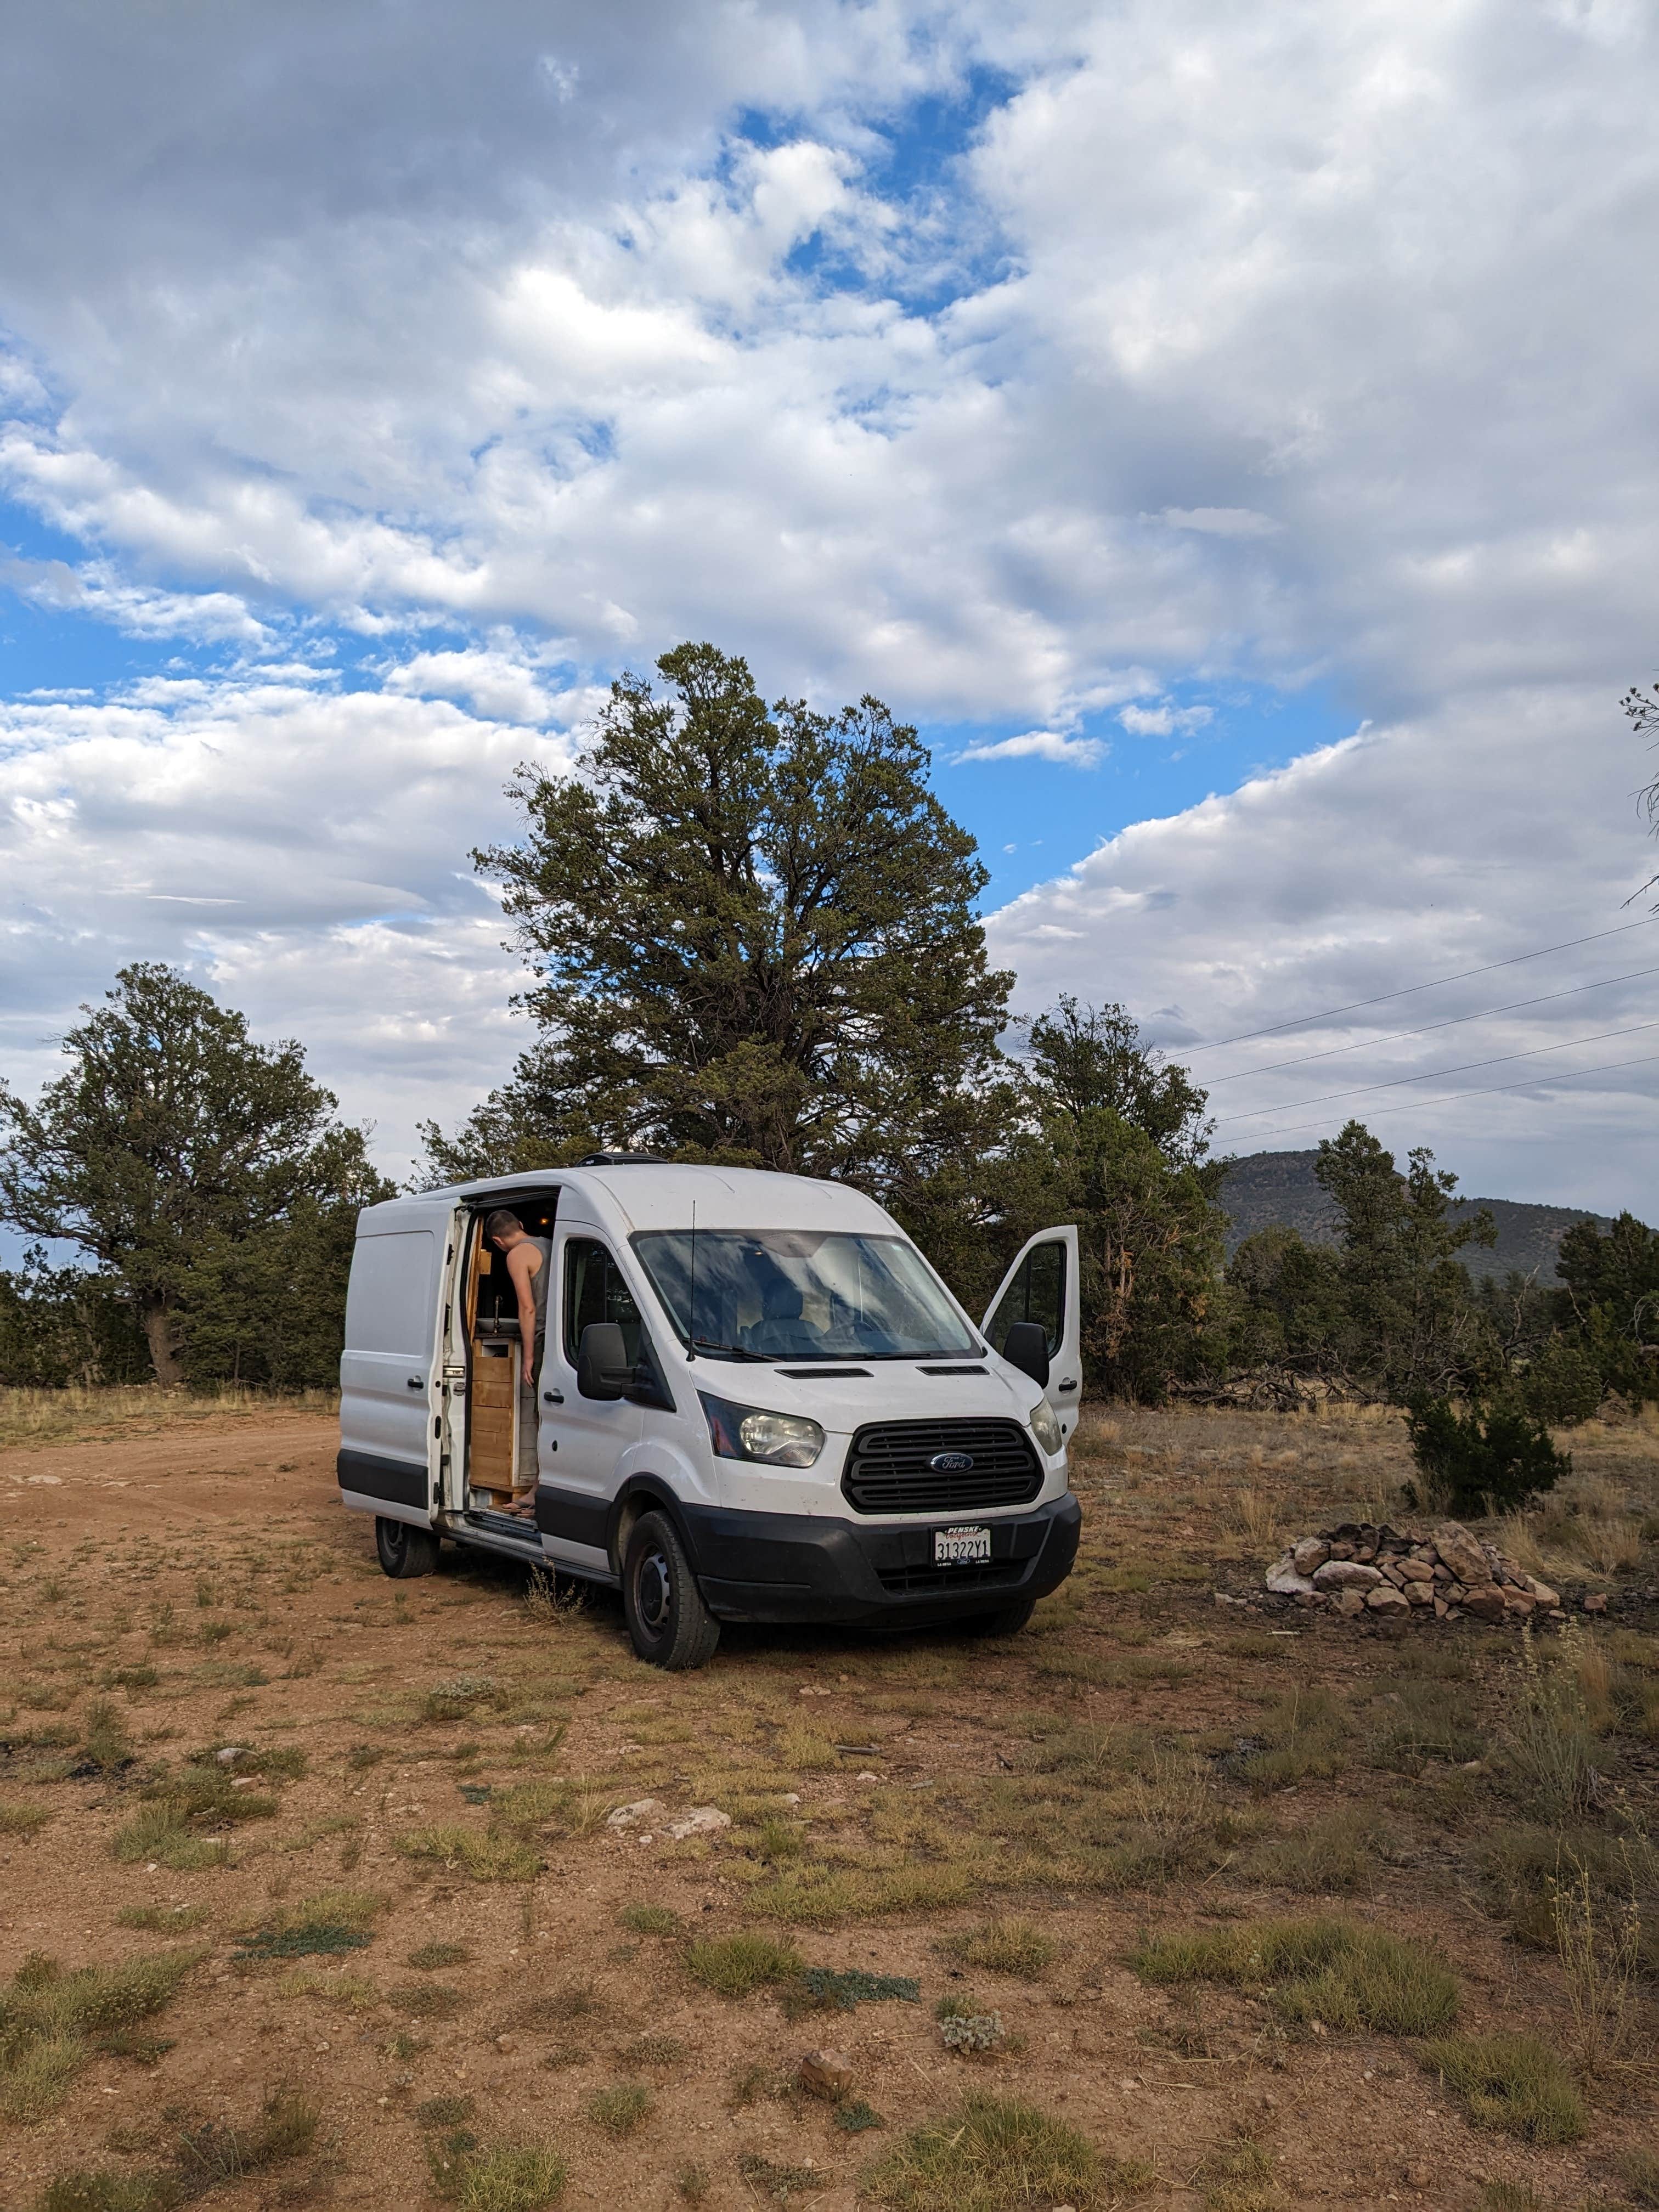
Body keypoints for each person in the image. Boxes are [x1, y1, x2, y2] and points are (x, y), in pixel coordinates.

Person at [484, 1209, 551, 1517]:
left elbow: (527, 1307)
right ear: (522, 1225)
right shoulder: (549, 1244)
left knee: (542, 1418)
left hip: (544, 1340)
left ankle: (540, 1492)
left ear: (498, 1241)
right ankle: (541, 1490)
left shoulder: (516, 1256)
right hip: (567, 1338)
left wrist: (528, 1355)